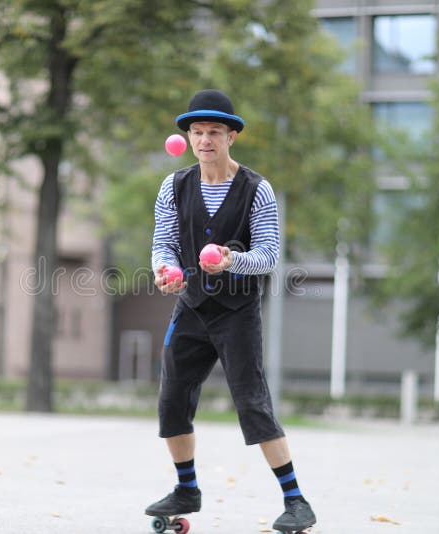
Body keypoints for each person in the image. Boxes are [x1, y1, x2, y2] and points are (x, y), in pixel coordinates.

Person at [146, 89, 317, 533]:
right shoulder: (174, 185)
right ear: (187, 137)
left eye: (215, 132)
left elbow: (268, 254)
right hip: (192, 307)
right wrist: (165, 270)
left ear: (231, 136)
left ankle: (296, 501)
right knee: (171, 400)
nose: (205, 140)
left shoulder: (257, 189)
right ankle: (186, 489)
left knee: (252, 403)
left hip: (237, 311)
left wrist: (229, 259)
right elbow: (163, 243)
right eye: (197, 132)